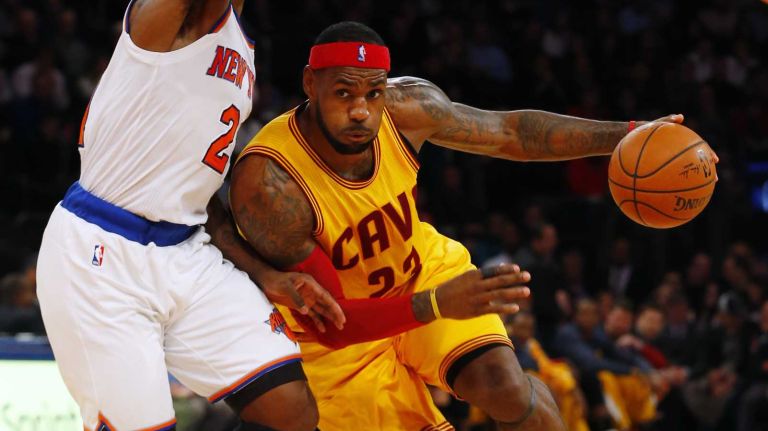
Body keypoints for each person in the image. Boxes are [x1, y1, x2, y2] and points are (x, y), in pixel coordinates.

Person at [230, 21, 685, 431]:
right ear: (310, 83)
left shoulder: (407, 108)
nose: (361, 111)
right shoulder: (270, 184)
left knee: (504, 387)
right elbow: (338, 322)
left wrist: (628, 133)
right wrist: (434, 303)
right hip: (337, 336)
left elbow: (511, 133)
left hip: (417, 268)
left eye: (374, 93)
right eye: (343, 93)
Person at [35, 2, 345, 430]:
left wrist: (265, 275)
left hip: (186, 248)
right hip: (102, 253)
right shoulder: (164, 21)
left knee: (290, 411)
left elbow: (201, 197)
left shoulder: (244, 45)